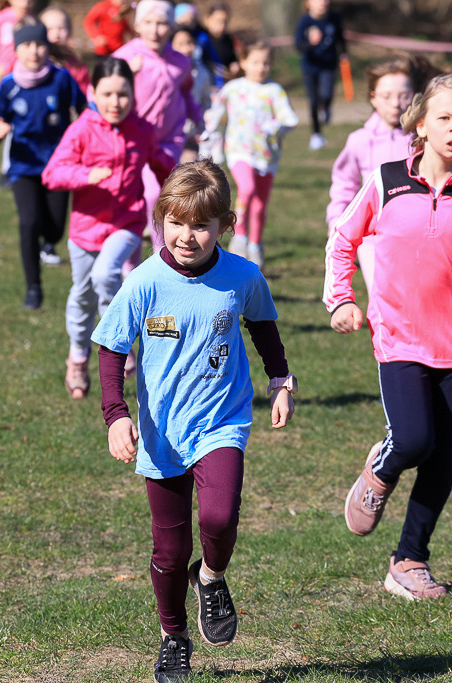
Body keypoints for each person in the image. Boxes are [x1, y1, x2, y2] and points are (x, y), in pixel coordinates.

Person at [91, 159, 297, 682]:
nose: (187, 236)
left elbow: (263, 326)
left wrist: (280, 380)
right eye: (176, 223)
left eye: (201, 225)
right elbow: (111, 349)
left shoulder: (242, 276)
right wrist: (116, 416)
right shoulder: (144, 281)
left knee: (220, 519)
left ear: (225, 225)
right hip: (162, 431)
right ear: (160, 220)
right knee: (169, 549)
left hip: (222, 420)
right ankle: (174, 636)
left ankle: (211, 576)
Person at [324, 73, 452, 601]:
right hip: (399, 337)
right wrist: (341, 298)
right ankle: (383, 466)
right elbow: (342, 238)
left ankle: (409, 561)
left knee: (442, 458)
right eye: (445, 118)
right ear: (420, 124)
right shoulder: (387, 181)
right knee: (414, 440)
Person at [42, 58, 175, 398]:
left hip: (126, 222)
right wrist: (86, 175)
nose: (115, 102)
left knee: (106, 274)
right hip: (85, 228)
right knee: (83, 295)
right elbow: (52, 174)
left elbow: (162, 165)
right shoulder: (81, 129)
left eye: (123, 94)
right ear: (93, 93)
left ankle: (120, 343)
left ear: (133, 94)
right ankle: (77, 358)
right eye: (107, 94)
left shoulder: (142, 129)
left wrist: (183, 186)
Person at [0, 21, 86, 309]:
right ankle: (33, 288)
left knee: (54, 229)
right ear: (17, 50)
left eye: (40, 45)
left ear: (47, 48)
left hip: (59, 165)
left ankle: (49, 241)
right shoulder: (8, 86)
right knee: (28, 223)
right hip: (23, 166)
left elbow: (84, 111)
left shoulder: (62, 79)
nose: (34, 51)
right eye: (27, 45)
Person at [326, 54, 441, 291]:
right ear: (373, 97)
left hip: (417, 235)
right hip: (372, 238)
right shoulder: (359, 140)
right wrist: (336, 222)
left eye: (403, 95)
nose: (395, 103)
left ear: (414, 96)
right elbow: (344, 185)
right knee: (381, 295)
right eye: (386, 96)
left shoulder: (425, 140)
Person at [113, 0, 201, 255]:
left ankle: (162, 255)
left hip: (168, 142)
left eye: (162, 23)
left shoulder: (180, 62)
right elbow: (101, 93)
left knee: (160, 196)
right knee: (137, 200)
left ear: (171, 27)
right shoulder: (125, 57)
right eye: (148, 22)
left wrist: (198, 118)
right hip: (133, 141)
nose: (155, 30)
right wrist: (126, 75)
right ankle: (129, 262)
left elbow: (186, 93)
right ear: (137, 25)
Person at [202, 41, 299, 267]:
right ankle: (240, 237)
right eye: (255, 62)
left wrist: (275, 126)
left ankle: (255, 245)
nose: (260, 67)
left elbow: (290, 119)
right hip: (239, 151)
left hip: (267, 156)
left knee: (260, 204)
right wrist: (209, 134)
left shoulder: (274, 91)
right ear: (243, 62)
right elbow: (217, 116)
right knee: (247, 189)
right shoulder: (233, 89)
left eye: (266, 63)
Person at [294, 0, 347, 150]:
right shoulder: (304, 21)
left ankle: (326, 108)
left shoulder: (334, 18)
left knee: (326, 94)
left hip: (328, 66)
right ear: (308, 3)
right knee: (313, 102)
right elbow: (298, 46)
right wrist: (310, 43)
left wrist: (344, 53)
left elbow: (340, 38)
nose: (322, 3)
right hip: (310, 67)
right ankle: (316, 135)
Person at [171, 27, 215, 164]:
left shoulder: (202, 72)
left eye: (189, 42)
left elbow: (206, 100)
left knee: (189, 166)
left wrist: (205, 120)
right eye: (180, 44)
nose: (186, 48)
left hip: (192, 131)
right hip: (170, 132)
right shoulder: (167, 71)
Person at [41, 4, 90, 93]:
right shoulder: (35, 61)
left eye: (61, 28)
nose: (56, 34)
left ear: (69, 30)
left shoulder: (76, 65)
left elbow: (84, 92)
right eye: (49, 29)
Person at [204, 3, 241, 79]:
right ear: (207, 19)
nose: (222, 26)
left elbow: (232, 58)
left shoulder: (229, 40)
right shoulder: (199, 40)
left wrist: (234, 64)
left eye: (225, 22)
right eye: (218, 21)